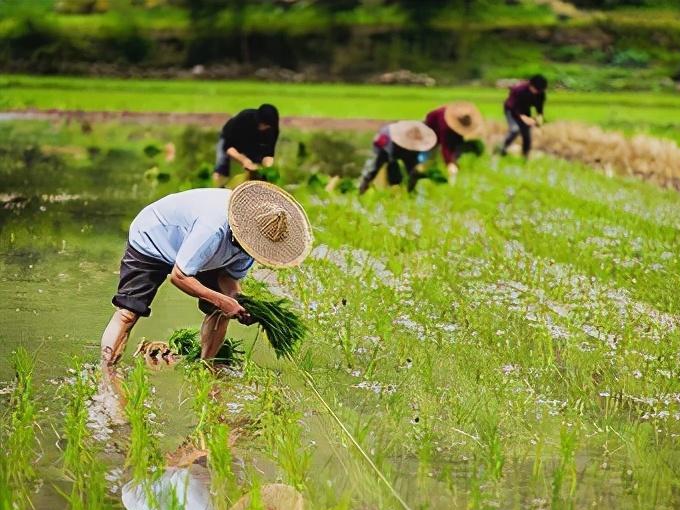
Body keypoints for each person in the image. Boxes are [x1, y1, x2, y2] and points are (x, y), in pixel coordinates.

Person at [98, 181, 313, 421]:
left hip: (203, 254)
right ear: (242, 230)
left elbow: (227, 279)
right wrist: (221, 300)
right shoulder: (213, 227)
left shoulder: (251, 245)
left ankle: (206, 368)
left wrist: (236, 302)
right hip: (154, 239)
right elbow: (179, 277)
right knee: (129, 313)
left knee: (221, 311)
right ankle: (106, 376)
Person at [358, 121, 437, 194]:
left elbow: (417, 160)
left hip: (402, 148)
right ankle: (362, 189)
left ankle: (411, 193)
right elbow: (391, 162)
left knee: (413, 171)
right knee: (376, 167)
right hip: (385, 145)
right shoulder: (387, 138)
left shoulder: (415, 141)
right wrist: (395, 183)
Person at [213, 104, 280, 187]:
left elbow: (269, 154)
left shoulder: (272, 129)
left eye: (267, 126)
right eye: (263, 125)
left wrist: (268, 169)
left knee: (255, 174)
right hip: (231, 139)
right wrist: (244, 160)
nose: (264, 127)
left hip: (253, 143)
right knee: (222, 167)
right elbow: (228, 147)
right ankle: (215, 188)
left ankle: (245, 192)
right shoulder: (244, 118)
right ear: (258, 121)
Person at [423, 101, 484, 183]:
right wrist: (450, 163)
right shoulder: (445, 126)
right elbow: (445, 146)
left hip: (444, 126)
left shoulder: (460, 120)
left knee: (455, 147)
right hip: (431, 127)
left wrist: (454, 159)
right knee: (431, 152)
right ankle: (427, 171)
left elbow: (458, 139)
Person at [499, 75, 548, 159]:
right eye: (536, 89)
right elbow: (514, 107)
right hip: (511, 109)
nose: (537, 92)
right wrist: (523, 118)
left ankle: (525, 155)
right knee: (515, 129)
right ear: (530, 85)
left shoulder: (541, 94)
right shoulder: (519, 90)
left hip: (524, 109)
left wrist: (540, 117)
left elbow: (539, 108)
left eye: (539, 91)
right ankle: (501, 149)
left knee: (526, 133)